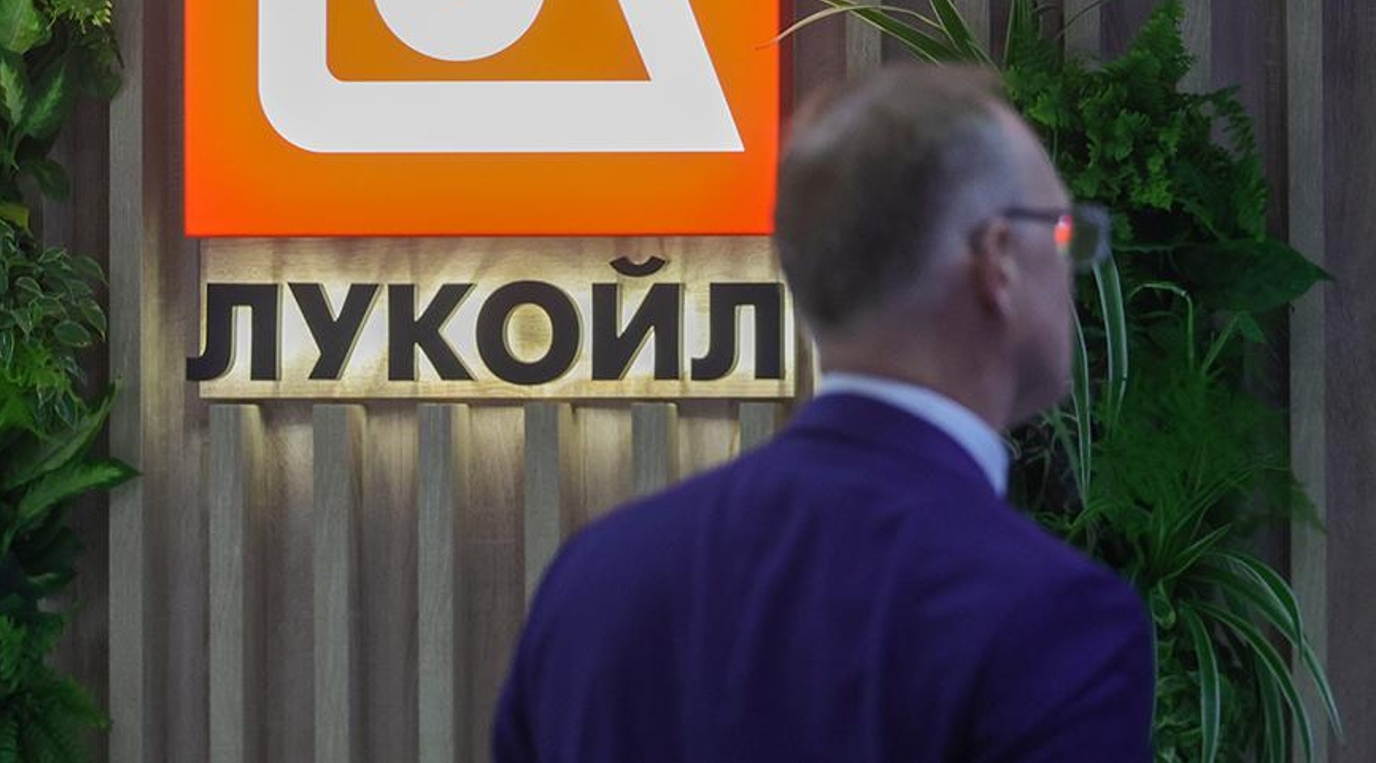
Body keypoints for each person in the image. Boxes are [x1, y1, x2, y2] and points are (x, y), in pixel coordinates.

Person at [492, 64, 1155, 762]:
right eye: (1063, 232)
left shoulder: (592, 583)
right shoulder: (1051, 620)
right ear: (999, 262)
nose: (1074, 266)